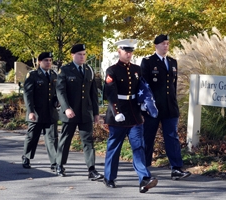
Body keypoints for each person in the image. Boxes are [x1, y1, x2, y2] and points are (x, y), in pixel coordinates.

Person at [103, 39, 158, 193]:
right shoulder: (112, 70)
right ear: (119, 51)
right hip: (119, 114)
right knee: (114, 148)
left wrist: (143, 102)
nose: (129, 54)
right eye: (126, 51)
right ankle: (109, 177)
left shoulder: (136, 69)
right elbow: (110, 93)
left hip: (134, 114)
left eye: (131, 51)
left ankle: (144, 179)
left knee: (139, 147)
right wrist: (116, 112)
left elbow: (142, 88)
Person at [140, 34, 191, 180]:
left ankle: (176, 168)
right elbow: (144, 85)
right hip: (153, 107)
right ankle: (144, 168)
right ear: (156, 45)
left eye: (168, 43)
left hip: (169, 107)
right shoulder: (148, 62)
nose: (166, 46)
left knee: (172, 137)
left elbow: (173, 86)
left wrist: (174, 103)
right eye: (163, 44)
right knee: (148, 137)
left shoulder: (172, 62)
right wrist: (145, 104)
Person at [55, 44, 104, 181]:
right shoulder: (65, 70)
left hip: (85, 112)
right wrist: (66, 108)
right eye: (79, 54)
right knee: (65, 139)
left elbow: (93, 93)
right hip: (70, 111)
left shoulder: (89, 70)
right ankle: (60, 164)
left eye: (84, 54)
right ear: (72, 55)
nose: (82, 57)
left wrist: (96, 113)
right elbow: (60, 91)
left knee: (88, 141)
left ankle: (91, 169)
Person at [22, 52, 59, 171]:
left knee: (52, 138)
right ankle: (26, 157)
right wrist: (30, 111)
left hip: (50, 112)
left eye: (50, 60)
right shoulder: (33, 75)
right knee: (32, 136)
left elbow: (57, 92)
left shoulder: (54, 75)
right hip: (36, 112)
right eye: (45, 60)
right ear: (39, 62)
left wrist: (56, 101)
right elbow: (28, 95)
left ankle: (54, 162)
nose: (48, 62)